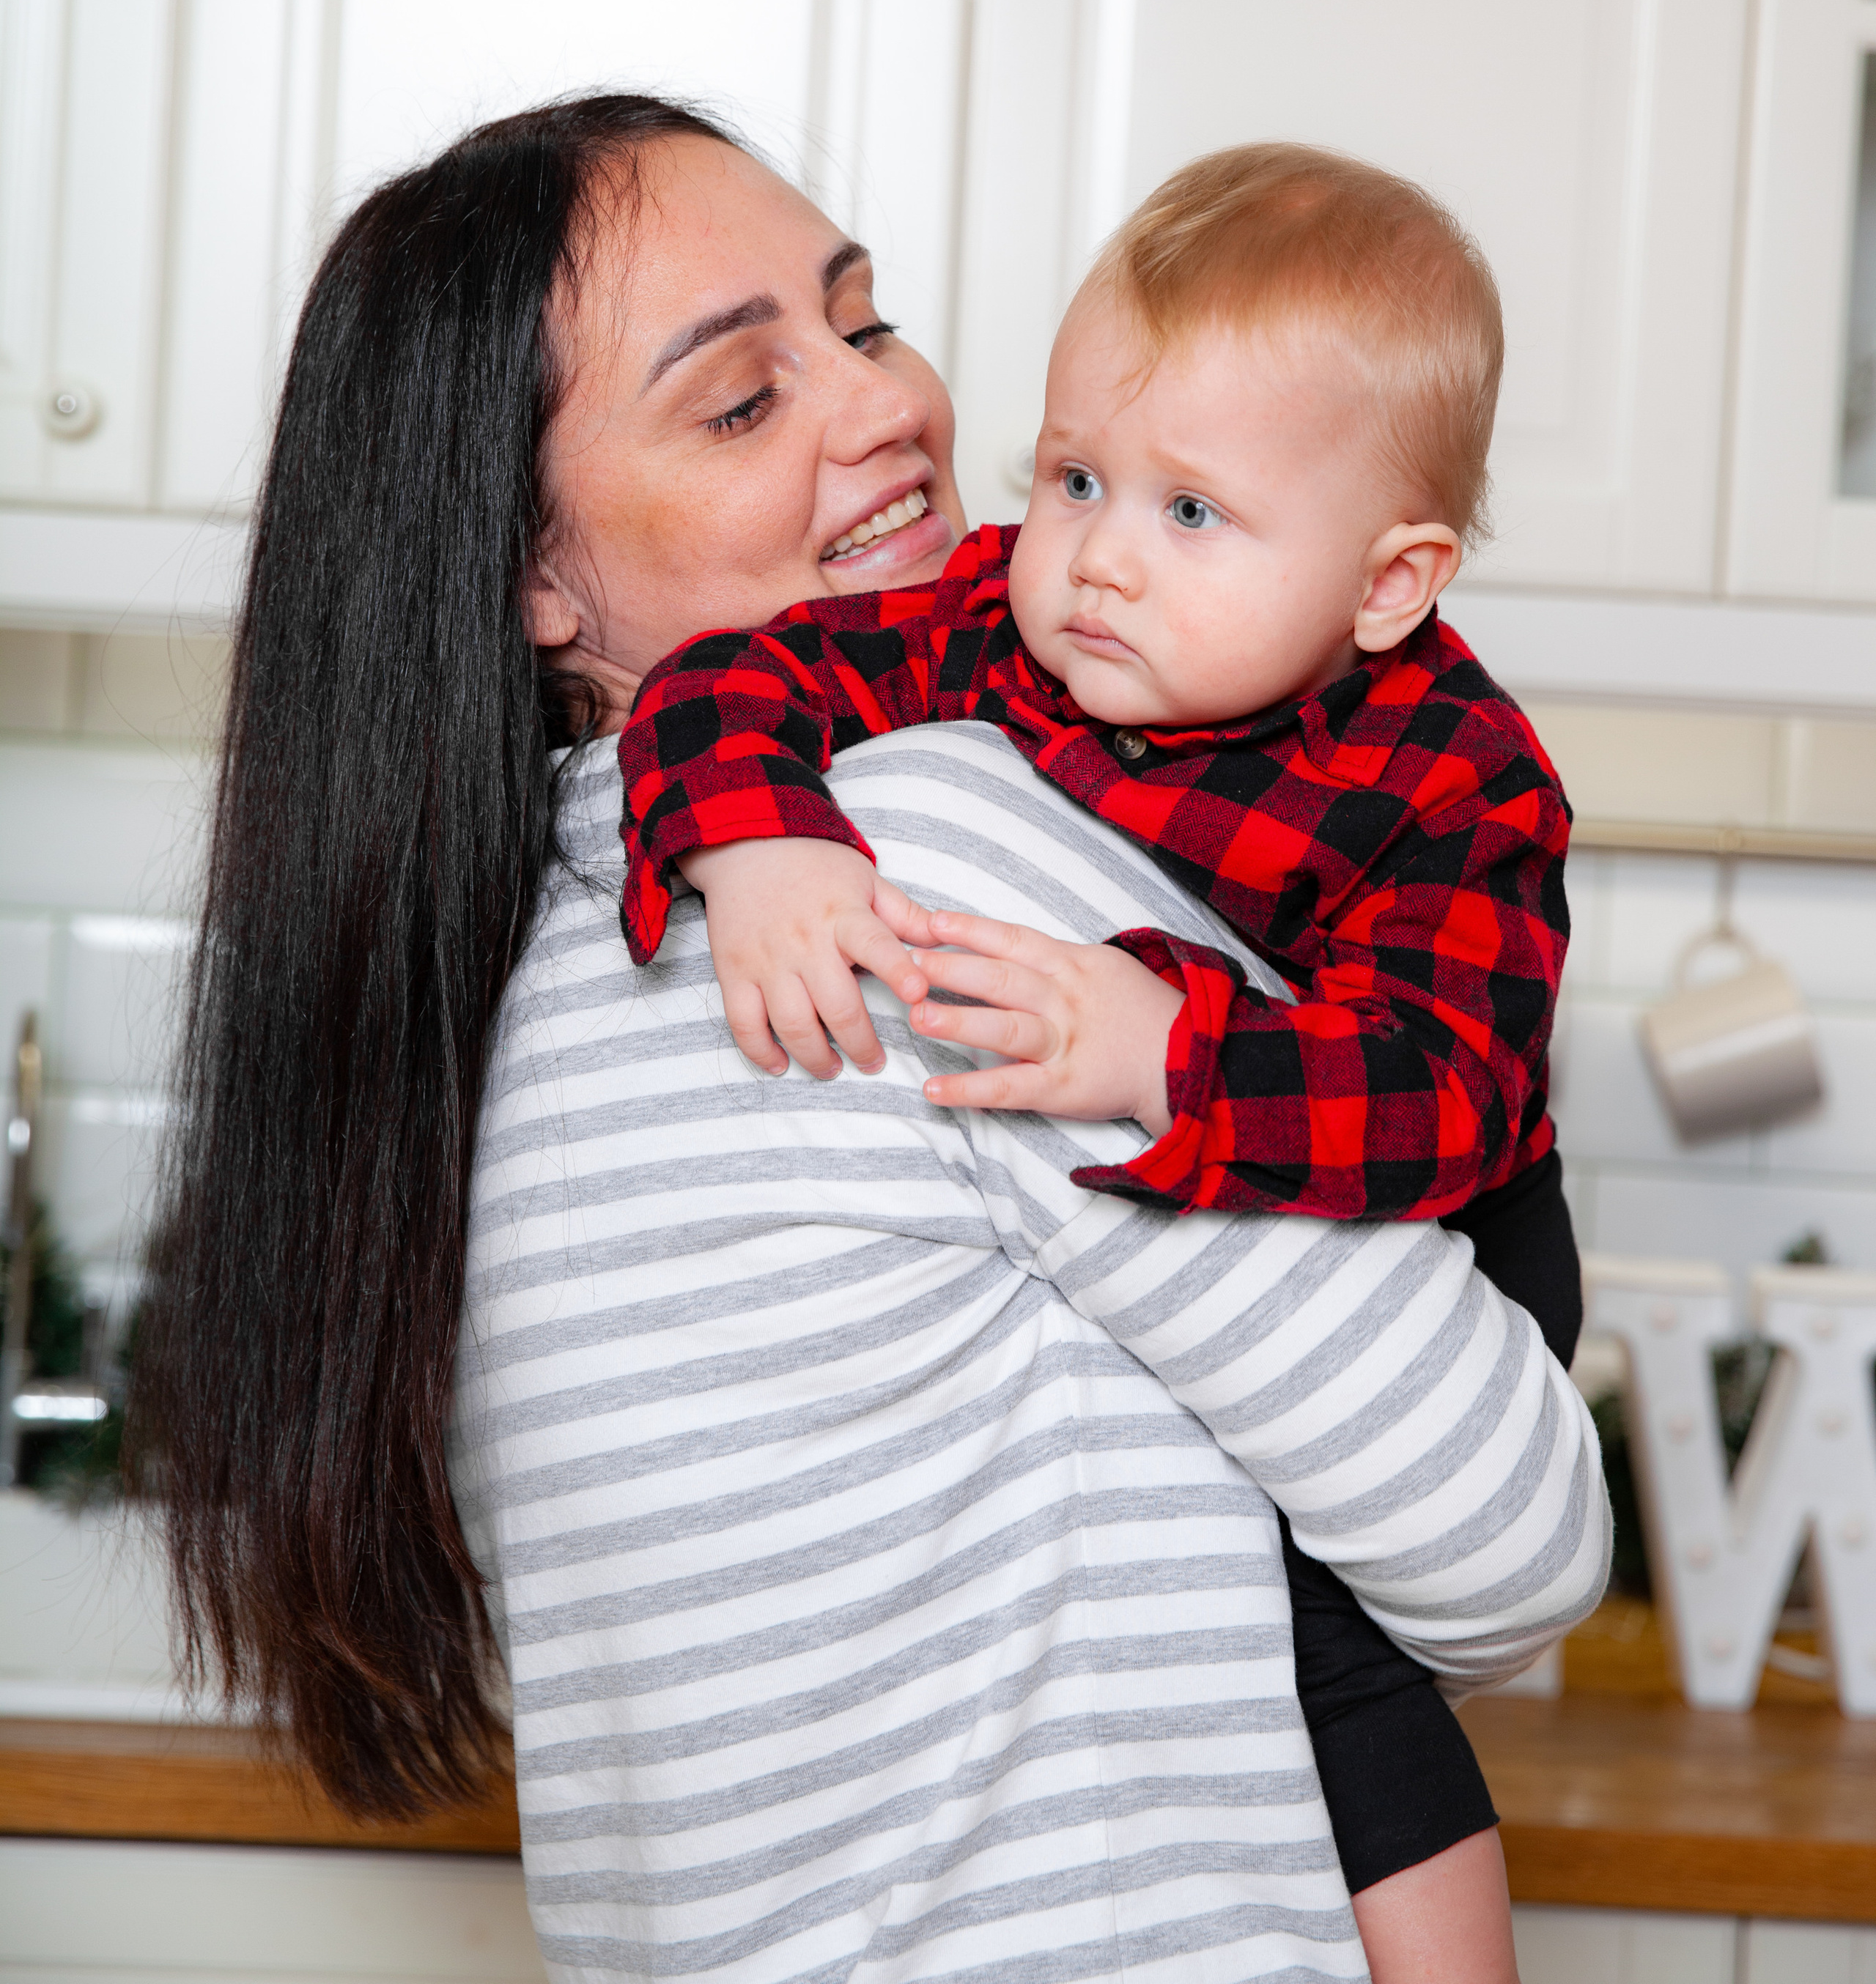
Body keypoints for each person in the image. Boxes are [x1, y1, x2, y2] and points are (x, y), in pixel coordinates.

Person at [129, 97, 1605, 1984]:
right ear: (534, 579)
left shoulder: (491, 1000)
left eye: (864, 317)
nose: (888, 406)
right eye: (742, 402)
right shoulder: (925, 858)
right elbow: (1511, 1543)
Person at [612, 144, 1579, 1948]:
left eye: (1188, 515)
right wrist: (763, 840)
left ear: (1389, 584)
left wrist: (1175, 1051)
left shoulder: (1458, 778)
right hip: (1207, 1185)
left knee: (1330, 1663)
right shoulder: (1005, 624)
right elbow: (743, 682)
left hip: (1433, 1201)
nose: (1094, 566)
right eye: (1070, 476)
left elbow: (1452, 1093)